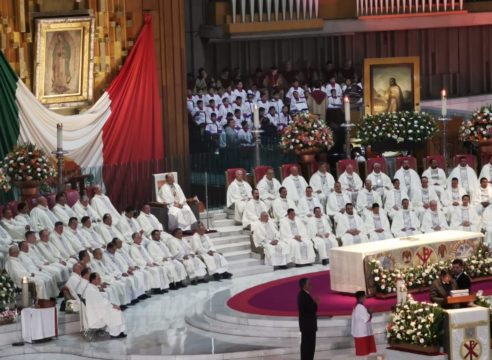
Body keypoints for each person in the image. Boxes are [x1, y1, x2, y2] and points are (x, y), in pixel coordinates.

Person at [85, 272, 127, 338]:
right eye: (98, 279)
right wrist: (113, 305)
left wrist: (112, 305)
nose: (100, 280)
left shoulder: (93, 287)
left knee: (116, 310)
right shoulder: (91, 290)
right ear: (93, 280)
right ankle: (114, 334)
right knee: (115, 312)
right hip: (96, 311)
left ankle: (119, 331)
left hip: (99, 307)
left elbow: (100, 300)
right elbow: (101, 302)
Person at [351, 291, 377, 358]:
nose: (366, 297)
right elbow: (366, 319)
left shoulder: (357, 306)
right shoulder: (360, 307)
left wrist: (367, 311)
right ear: (361, 297)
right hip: (362, 332)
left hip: (360, 331)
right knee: (363, 354)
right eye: (364, 296)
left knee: (364, 354)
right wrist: (370, 312)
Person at [297, 278, 318, 360]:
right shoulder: (303, 295)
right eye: (309, 284)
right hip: (308, 326)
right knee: (308, 346)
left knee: (307, 346)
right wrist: (316, 304)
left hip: (307, 326)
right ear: (304, 285)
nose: (311, 285)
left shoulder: (304, 294)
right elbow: (309, 310)